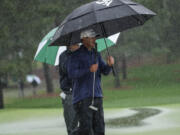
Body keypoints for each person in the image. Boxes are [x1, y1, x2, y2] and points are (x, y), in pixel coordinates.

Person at [67, 29, 114, 135]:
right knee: (86, 130)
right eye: (91, 37)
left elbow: (105, 71)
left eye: (95, 37)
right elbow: (72, 73)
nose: (94, 39)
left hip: (97, 96)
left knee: (100, 129)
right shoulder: (75, 55)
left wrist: (110, 65)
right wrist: (88, 70)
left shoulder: (96, 54)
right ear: (84, 39)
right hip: (82, 98)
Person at [59, 44, 80, 135]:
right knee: (72, 129)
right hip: (70, 95)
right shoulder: (64, 56)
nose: (78, 44)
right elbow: (68, 70)